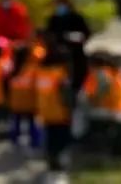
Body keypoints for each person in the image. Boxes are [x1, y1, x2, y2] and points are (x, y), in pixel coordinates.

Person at [82, 52, 121, 156]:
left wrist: (90, 102)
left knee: (83, 113)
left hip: (111, 111)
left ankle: (89, 147)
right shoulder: (116, 73)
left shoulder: (101, 74)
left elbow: (99, 93)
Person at [35, 41, 75, 175]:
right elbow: (66, 97)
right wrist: (71, 109)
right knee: (61, 140)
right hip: (60, 114)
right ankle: (57, 164)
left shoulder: (42, 73)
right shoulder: (61, 75)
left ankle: (50, 161)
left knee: (50, 139)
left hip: (46, 113)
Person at [45, 0, 91, 90]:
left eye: (61, 4)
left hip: (75, 51)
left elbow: (86, 33)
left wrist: (74, 36)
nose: (59, 7)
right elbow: (49, 34)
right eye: (57, 4)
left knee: (78, 73)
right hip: (57, 53)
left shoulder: (77, 18)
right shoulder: (54, 19)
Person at [6, 42, 42, 148]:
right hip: (29, 102)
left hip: (16, 102)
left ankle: (14, 140)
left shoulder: (11, 69)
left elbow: (7, 85)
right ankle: (35, 142)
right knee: (32, 123)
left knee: (16, 122)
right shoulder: (32, 68)